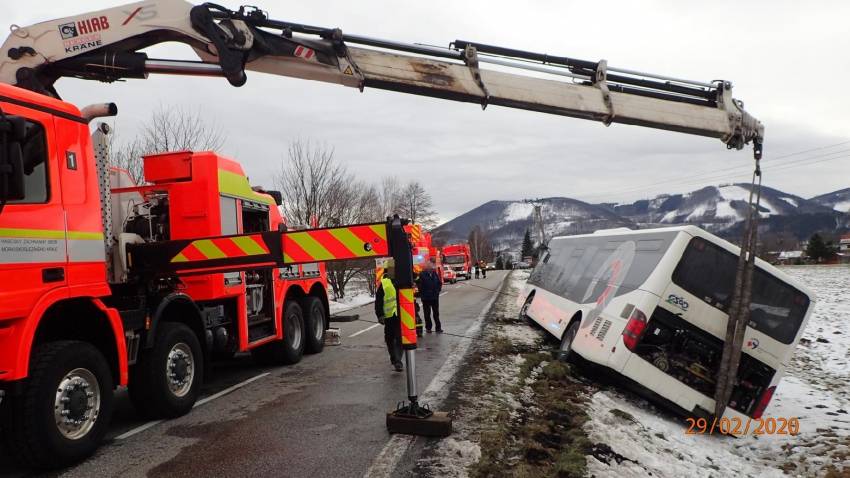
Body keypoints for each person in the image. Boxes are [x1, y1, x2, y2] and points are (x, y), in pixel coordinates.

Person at [375, 263, 403, 372]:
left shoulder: (402, 282)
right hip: (389, 317)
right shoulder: (384, 283)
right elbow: (379, 301)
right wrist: (380, 315)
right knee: (390, 339)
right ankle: (394, 359)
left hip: (401, 315)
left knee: (400, 339)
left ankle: (398, 361)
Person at [417, 259, 443, 333]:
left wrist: (438, 291)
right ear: (427, 266)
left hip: (434, 297)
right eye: (429, 265)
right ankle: (428, 328)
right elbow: (419, 285)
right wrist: (422, 293)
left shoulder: (434, 273)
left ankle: (438, 328)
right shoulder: (422, 274)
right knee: (427, 314)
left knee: (436, 314)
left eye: (432, 264)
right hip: (426, 298)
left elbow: (439, 283)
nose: (431, 266)